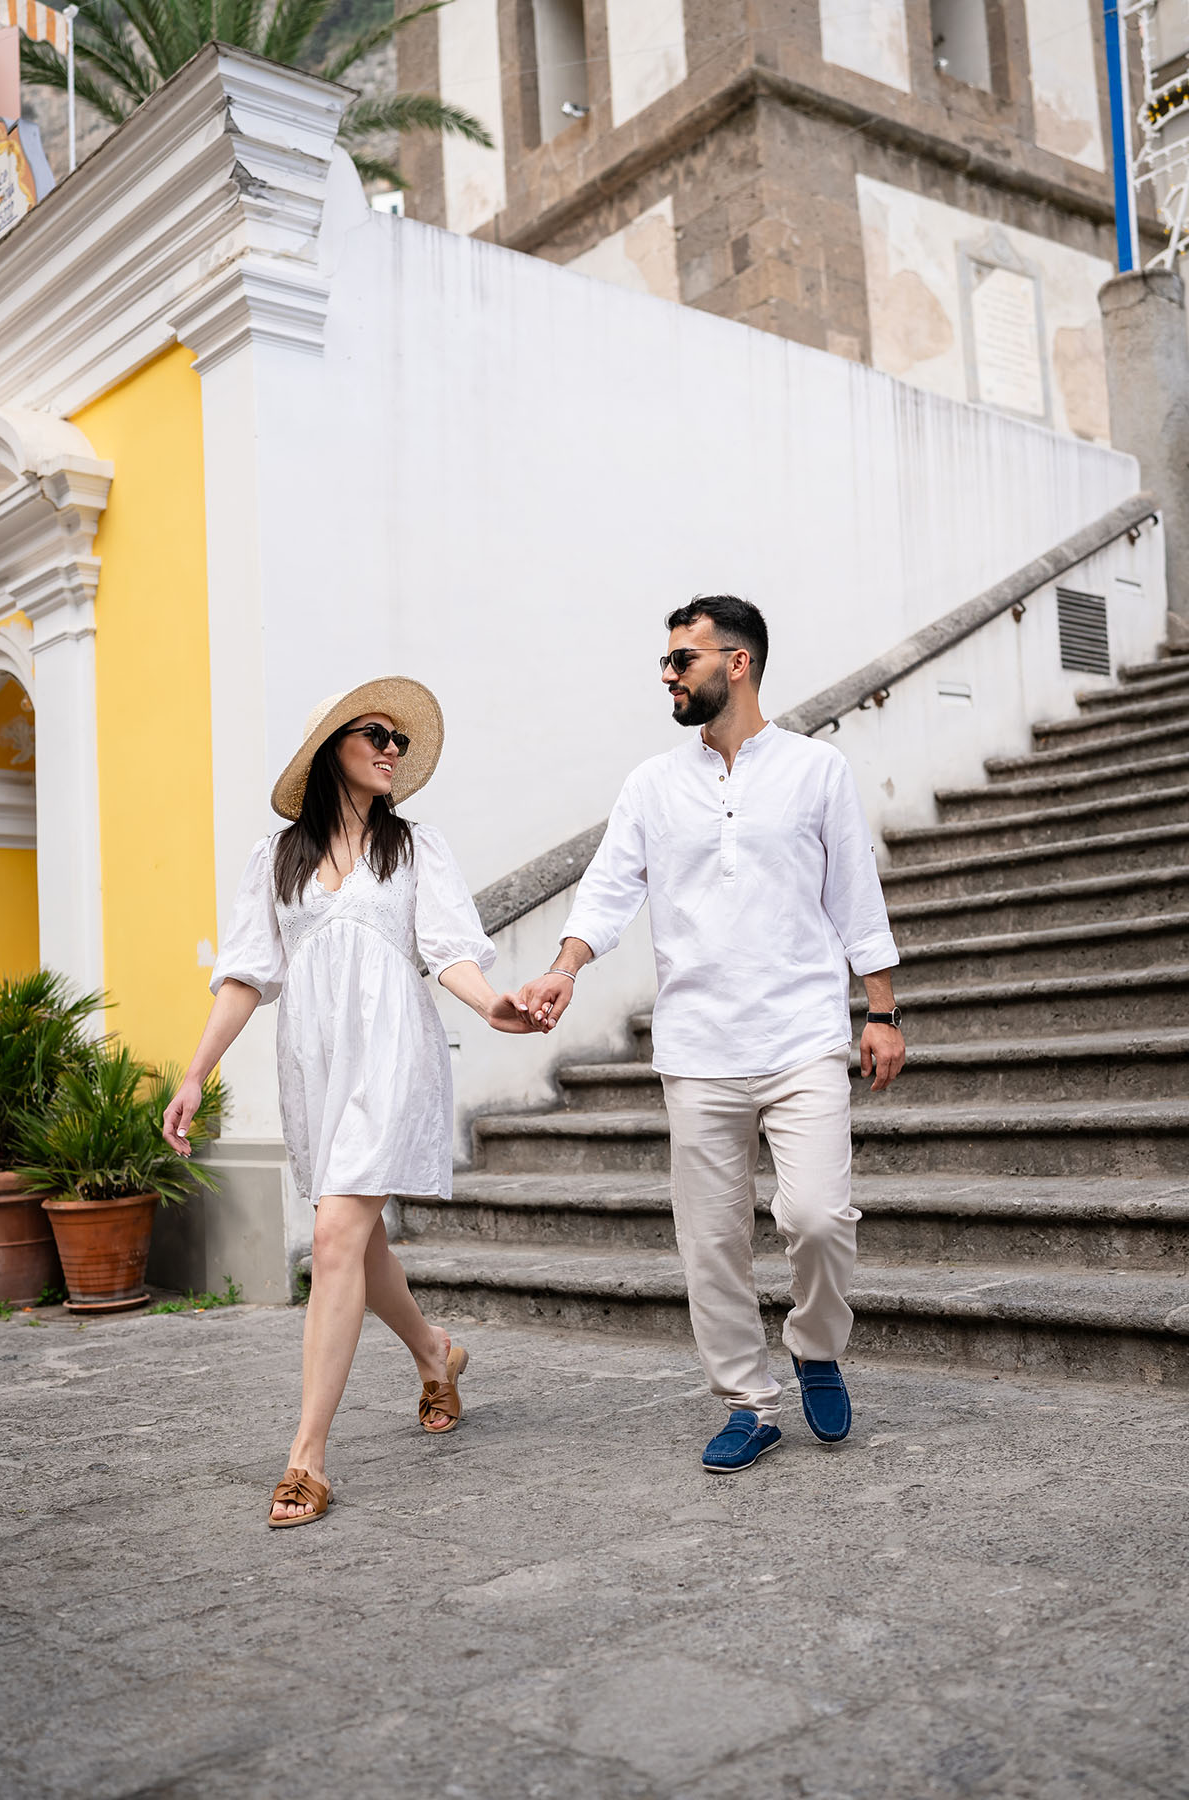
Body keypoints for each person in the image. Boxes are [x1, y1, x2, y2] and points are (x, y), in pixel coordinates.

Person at [516, 599, 905, 1472]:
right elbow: (610, 889)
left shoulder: (817, 771)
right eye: (666, 659)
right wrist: (565, 968)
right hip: (698, 1048)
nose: (667, 674)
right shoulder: (652, 784)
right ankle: (748, 1401)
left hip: (802, 1034)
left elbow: (855, 898)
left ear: (738, 663)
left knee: (817, 1216)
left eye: (681, 659)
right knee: (712, 1241)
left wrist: (880, 1011)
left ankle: (815, 1343)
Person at [163, 678, 541, 1527]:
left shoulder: (416, 849)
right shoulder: (278, 859)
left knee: (335, 1234)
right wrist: (195, 1074)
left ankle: (307, 1459)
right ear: (333, 745)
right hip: (317, 1065)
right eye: (376, 734)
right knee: (356, 1242)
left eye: (400, 741)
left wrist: (492, 1006)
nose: (392, 750)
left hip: (392, 1057)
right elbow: (245, 975)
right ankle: (435, 1352)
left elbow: (448, 949)